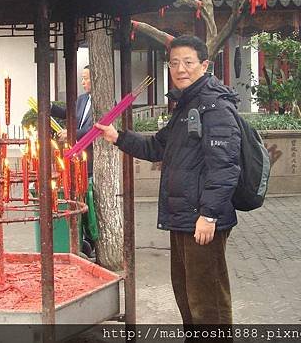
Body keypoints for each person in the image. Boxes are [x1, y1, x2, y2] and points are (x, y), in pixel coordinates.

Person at [95, 35, 241, 326]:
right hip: (184, 216)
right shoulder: (186, 106)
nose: (180, 69)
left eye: (188, 62)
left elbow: (225, 166)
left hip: (202, 219)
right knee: (188, 296)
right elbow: (156, 147)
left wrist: (209, 215)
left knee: (208, 301)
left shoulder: (214, 106)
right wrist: (118, 137)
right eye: (174, 63)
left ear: (204, 65)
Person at [51, 65, 96, 257]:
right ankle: (81, 238)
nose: (83, 82)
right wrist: (49, 108)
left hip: (91, 159)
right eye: (83, 78)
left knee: (89, 200)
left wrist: (71, 135)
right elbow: (69, 114)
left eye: (86, 78)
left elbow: (95, 129)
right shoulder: (82, 99)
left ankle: (91, 239)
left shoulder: (104, 100)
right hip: (75, 159)